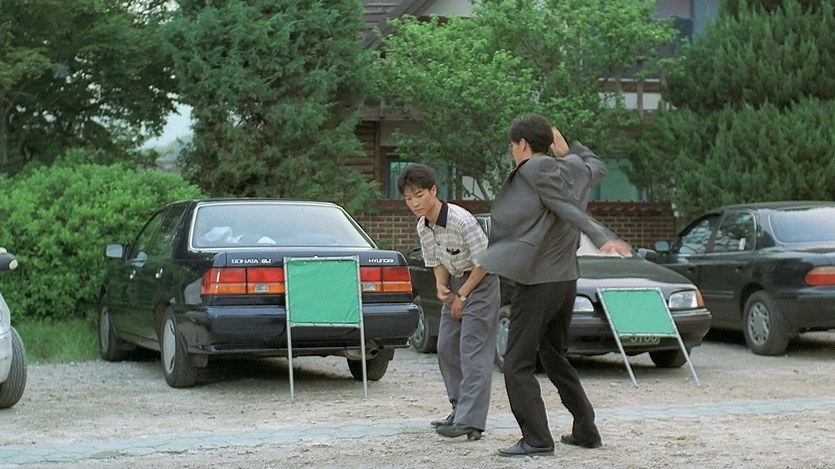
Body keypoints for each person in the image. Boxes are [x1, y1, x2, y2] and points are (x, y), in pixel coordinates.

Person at [478, 114, 632, 457]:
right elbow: (596, 166)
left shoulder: (535, 168)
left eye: (512, 145)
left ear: (521, 144)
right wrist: (569, 150)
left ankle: (537, 439)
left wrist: (600, 235)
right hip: (565, 280)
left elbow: (565, 208)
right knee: (552, 354)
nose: (512, 151)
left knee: (516, 361)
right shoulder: (571, 168)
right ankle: (585, 429)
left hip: (539, 280)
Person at [397, 163, 501, 441]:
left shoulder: (461, 220)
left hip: (480, 282)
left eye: (419, 195)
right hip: (455, 281)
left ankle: (470, 420)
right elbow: (438, 260)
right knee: (445, 347)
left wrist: (463, 295)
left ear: (433, 191)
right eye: (408, 198)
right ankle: (459, 410)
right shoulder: (423, 226)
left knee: (472, 349)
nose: (414, 203)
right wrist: (442, 286)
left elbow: (485, 262)